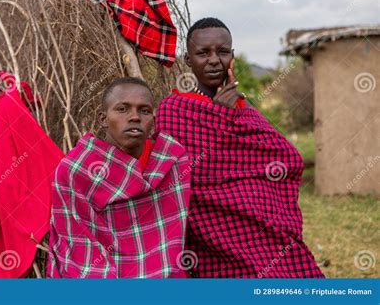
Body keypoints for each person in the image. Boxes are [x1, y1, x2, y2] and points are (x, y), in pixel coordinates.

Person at [155, 18, 324, 278]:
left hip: (261, 229)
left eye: (222, 52)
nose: (214, 60)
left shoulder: (245, 110)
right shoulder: (173, 110)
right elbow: (175, 177)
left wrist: (230, 113)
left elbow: (287, 158)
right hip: (204, 234)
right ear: (188, 60)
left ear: (232, 56)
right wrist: (220, 117)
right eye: (203, 53)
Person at [48, 77, 191, 278]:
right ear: (102, 119)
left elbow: (171, 244)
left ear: (153, 120)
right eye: (123, 109)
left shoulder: (171, 160)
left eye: (144, 111)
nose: (134, 117)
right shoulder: (75, 170)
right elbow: (80, 249)